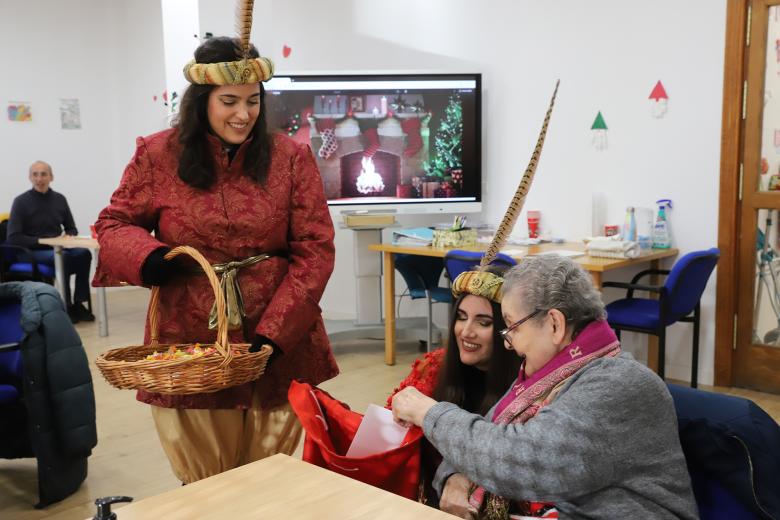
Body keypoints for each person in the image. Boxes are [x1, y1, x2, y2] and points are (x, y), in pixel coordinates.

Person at [93, 35, 338, 484]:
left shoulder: (291, 157)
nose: (243, 115)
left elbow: (315, 249)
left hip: (280, 338)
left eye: (253, 101)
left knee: (271, 480)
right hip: (188, 339)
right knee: (206, 484)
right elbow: (112, 224)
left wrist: (276, 335)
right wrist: (149, 258)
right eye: (229, 101)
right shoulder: (156, 154)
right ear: (201, 100)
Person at [392, 256, 698, 519]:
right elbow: (487, 437)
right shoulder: (547, 377)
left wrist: (431, 413)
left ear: (554, 324)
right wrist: (452, 475)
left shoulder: (618, 385)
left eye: (512, 327)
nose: (509, 344)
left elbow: (522, 461)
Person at [386, 265, 521, 504]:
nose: (466, 331)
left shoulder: (528, 387)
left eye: (484, 322)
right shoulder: (435, 366)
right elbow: (389, 436)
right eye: (461, 318)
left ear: (508, 331)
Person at [7, 160, 95, 323]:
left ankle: (78, 303)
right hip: (31, 252)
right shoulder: (20, 201)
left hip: (58, 248)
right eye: (35, 174)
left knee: (84, 254)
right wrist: (44, 241)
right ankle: (65, 305)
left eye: (43, 174)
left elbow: (71, 228)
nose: (39, 178)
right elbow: (13, 237)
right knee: (64, 258)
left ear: (51, 177)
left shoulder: (59, 199)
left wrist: (68, 236)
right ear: (30, 178)